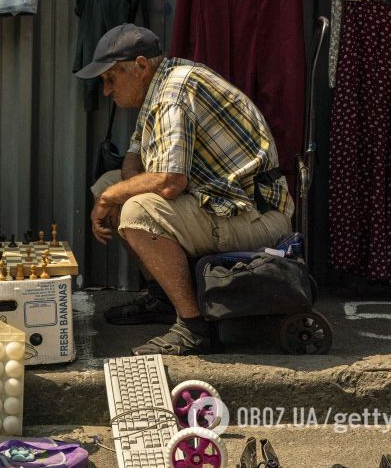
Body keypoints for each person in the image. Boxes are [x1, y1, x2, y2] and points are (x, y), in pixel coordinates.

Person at [75, 23, 293, 355]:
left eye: (110, 78)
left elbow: (169, 181)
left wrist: (113, 197)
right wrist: (116, 190)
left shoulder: (173, 93)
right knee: (113, 186)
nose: (107, 91)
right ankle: (165, 298)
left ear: (141, 67)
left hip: (254, 215)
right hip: (219, 203)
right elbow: (135, 157)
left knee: (134, 208)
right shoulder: (159, 86)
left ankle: (193, 328)